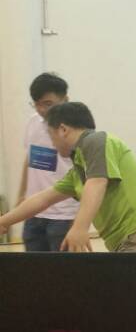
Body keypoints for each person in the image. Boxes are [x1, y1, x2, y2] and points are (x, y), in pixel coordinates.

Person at [0, 102, 136, 253]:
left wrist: (79, 227)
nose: (52, 143)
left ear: (63, 129)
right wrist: (4, 221)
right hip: (125, 241)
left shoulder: (97, 141)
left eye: (51, 135)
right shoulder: (78, 171)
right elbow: (43, 199)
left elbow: (97, 182)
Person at [16, 73, 79, 251]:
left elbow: (86, 175)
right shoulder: (33, 122)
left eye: (48, 104)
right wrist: (21, 194)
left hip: (64, 215)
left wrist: (79, 220)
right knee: (34, 266)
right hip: (33, 212)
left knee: (63, 268)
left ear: (65, 100)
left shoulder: (75, 129)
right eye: (37, 104)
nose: (42, 110)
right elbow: (29, 157)